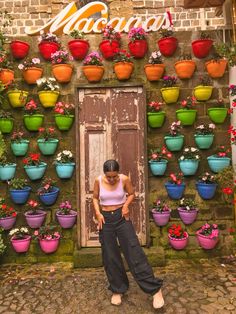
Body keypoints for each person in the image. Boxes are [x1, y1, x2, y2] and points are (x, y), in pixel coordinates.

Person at [93, 159, 164, 309]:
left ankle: (155, 290)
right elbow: (94, 198)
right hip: (105, 220)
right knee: (110, 256)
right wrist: (98, 213)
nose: (112, 179)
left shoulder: (124, 179)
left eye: (114, 176)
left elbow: (131, 194)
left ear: (118, 173)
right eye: (109, 176)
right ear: (104, 174)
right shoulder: (98, 181)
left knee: (134, 252)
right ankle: (118, 289)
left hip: (121, 218)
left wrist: (125, 205)